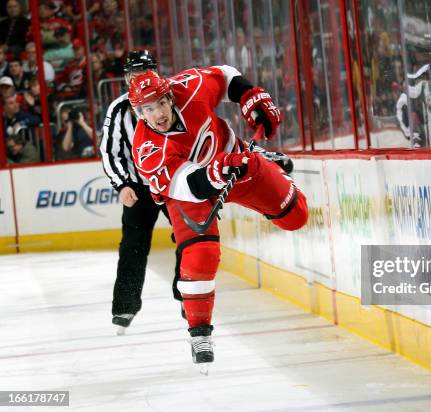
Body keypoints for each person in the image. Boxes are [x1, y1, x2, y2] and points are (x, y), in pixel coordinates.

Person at [128, 66, 308, 364]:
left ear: (170, 97)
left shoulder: (191, 87)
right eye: (149, 109)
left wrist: (250, 95)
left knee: (296, 216)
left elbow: (225, 76)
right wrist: (215, 172)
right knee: (201, 255)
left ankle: (262, 159)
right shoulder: (146, 149)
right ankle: (200, 334)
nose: (158, 113)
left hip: (236, 160)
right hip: (188, 193)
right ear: (139, 114)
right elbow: (189, 185)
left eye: (160, 103)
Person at [100, 50, 181, 332]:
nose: (139, 80)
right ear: (126, 78)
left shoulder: (171, 97)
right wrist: (121, 184)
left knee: (189, 235)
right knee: (133, 247)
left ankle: (187, 292)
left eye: (144, 73)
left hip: (174, 183)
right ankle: (125, 306)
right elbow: (110, 152)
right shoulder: (119, 109)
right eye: (133, 75)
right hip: (137, 187)